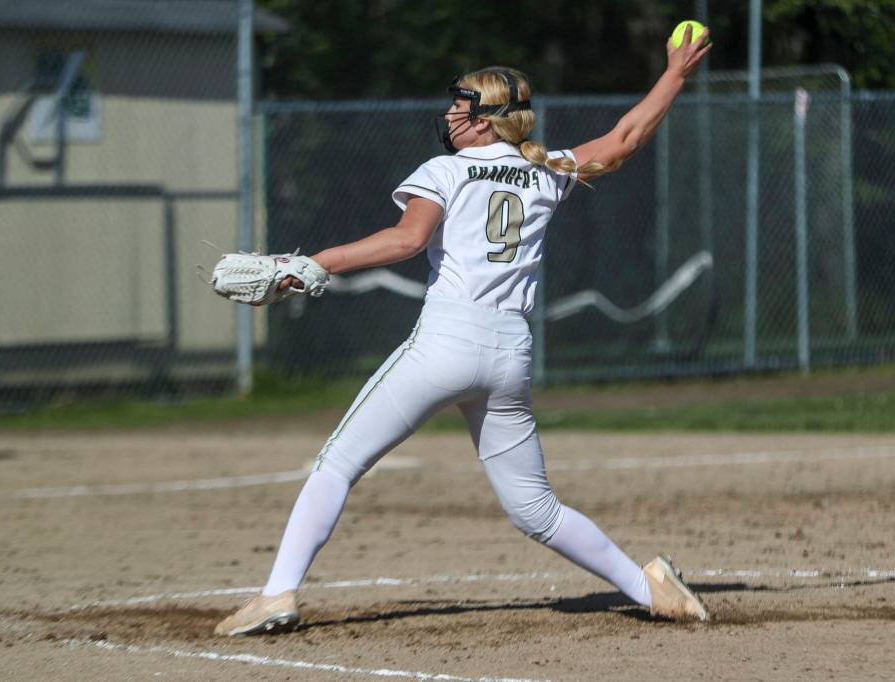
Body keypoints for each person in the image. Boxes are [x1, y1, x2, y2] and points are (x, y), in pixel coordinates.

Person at [214, 25, 713, 637]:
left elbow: (406, 240)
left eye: (462, 105)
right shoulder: (546, 170)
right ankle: (649, 587)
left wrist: (311, 263)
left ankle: (277, 595)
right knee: (535, 509)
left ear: (487, 120)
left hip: (447, 343)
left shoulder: (446, 171)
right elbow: (627, 138)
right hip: (509, 352)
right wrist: (675, 74)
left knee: (337, 464)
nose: (451, 114)